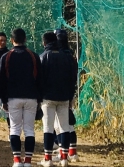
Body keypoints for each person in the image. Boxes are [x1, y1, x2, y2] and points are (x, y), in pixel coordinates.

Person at [0, 28, 42, 167]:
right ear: (25, 39)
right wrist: (39, 98)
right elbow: (39, 79)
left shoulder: (6, 57)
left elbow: (2, 80)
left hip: (13, 98)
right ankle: (28, 161)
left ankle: (17, 160)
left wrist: (3, 99)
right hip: (31, 97)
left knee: (15, 129)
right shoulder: (33, 56)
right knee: (29, 129)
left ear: (12, 40)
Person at [39, 31, 77, 167]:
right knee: (64, 127)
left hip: (48, 98)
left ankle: (48, 159)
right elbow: (72, 78)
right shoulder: (67, 57)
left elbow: (40, 79)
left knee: (48, 128)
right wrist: (70, 96)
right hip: (64, 97)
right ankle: (64, 159)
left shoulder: (43, 57)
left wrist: (39, 96)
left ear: (44, 43)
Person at [53, 29, 79, 163]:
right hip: (69, 92)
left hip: (59, 94)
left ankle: (64, 153)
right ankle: (72, 152)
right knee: (68, 124)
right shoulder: (70, 56)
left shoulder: (59, 56)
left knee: (60, 125)